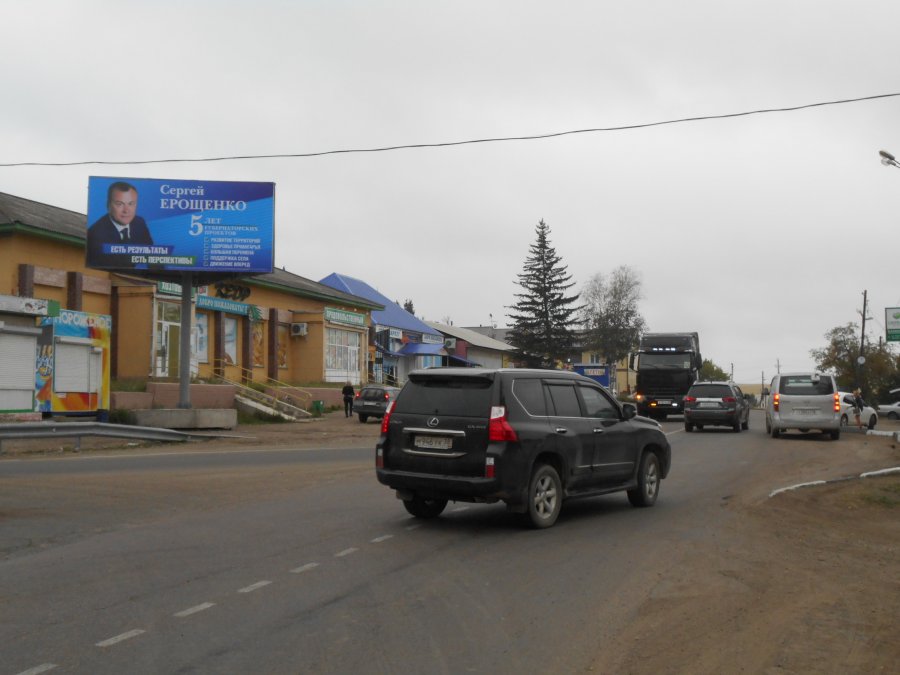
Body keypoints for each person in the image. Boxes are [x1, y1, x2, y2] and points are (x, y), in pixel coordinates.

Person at [86, 181, 154, 268]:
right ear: (108, 205)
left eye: (131, 204)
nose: (126, 210)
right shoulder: (95, 235)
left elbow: (153, 256)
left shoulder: (139, 223)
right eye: (119, 204)